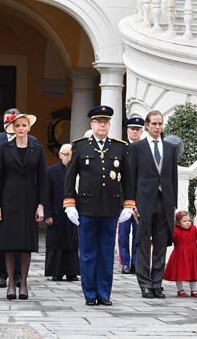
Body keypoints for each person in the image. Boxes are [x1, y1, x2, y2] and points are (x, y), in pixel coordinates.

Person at [64, 105, 135, 306]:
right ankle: (90, 293)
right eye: (98, 121)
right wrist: (69, 204)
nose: (102, 125)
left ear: (110, 124)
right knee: (87, 253)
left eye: (105, 122)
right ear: (91, 124)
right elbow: (70, 178)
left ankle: (104, 293)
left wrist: (129, 205)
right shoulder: (80, 146)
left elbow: (128, 179)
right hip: (87, 207)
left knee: (105, 253)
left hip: (111, 208)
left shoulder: (119, 147)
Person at [0, 113, 46, 300]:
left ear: (29, 127)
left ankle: (23, 282)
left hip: (30, 200)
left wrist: (41, 205)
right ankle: (9, 283)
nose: (21, 128)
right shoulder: (3, 148)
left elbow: (42, 180)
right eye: (18, 126)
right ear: (13, 129)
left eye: (24, 125)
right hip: (8, 199)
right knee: (9, 244)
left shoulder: (37, 149)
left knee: (25, 244)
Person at [0, 108, 37, 288]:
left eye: (23, 124)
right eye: (13, 122)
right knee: (3, 238)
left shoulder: (33, 143)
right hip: (5, 197)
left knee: (22, 239)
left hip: (26, 198)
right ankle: (1, 274)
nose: (18, 127)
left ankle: (18, 276)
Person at [129, 110, 178, 299]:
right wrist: (131, 203)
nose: (157, 127)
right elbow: (131, 177)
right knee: (143, 242)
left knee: (160, 243)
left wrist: (172, 204)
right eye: (154, 124)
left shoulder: (170, 148)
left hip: (164, 201)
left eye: (160, 124)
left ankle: (157, 283)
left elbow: (173, 178)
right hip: (143, 201)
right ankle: (144, 284)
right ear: (147, 125)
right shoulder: (137, 148)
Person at [44, 144, 79, 282]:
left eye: (71, 154)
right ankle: (56, 272)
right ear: (60, 155)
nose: (68, 157)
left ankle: (72, 272)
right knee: (56, 243)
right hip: (56, 213)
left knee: (72, 242)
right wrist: (48, 214)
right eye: (66, 154)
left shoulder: (78, 171)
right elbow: (47, 194)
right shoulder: (51, 171)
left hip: (74, 213)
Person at [118, 116, 144, 274]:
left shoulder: (144, 148)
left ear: (141, 131)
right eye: (132, 129)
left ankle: (135, 262)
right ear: (127, 130)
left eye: (137, 129)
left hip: (141, 197)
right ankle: (125, 262)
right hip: (123, 197)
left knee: (138, 232)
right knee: (123, 232)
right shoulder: (121, 148)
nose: (134, 132)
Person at [163, 210, 197, 298]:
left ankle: (194, 290)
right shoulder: (175, 231)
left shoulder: (193, 230)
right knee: (179, 272)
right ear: (178, 223)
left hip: (193, 255)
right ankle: (180, 290)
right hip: (180, 255)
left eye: (189, 221)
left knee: (193, 272)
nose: (187, 223)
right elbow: (170, 237)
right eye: (184, 221)